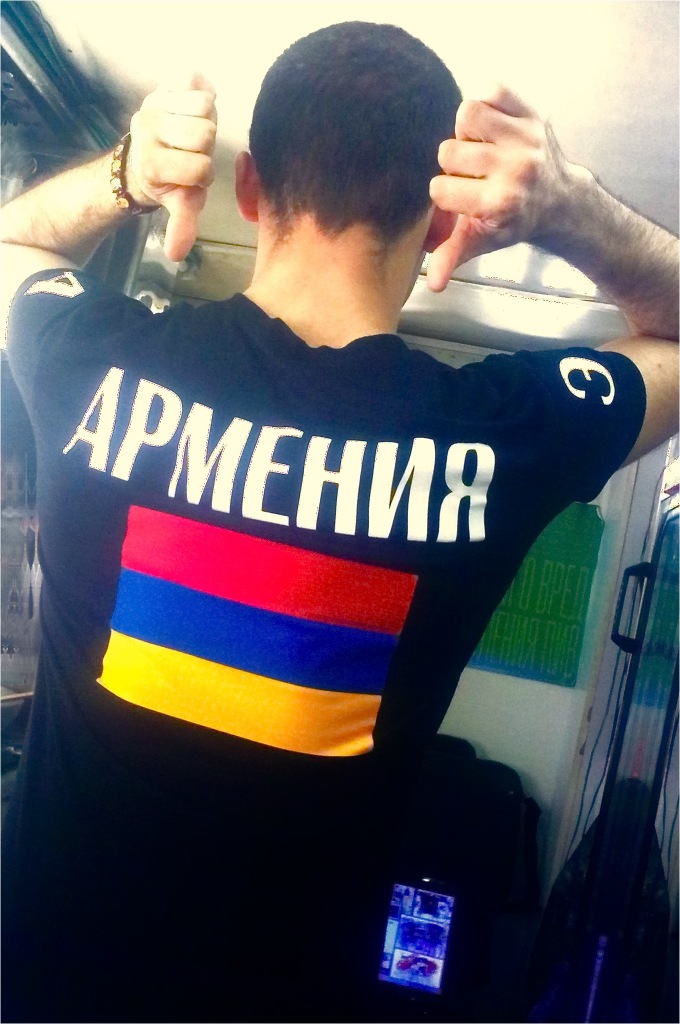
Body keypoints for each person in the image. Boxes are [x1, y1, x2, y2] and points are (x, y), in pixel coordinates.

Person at [1, 20, 677, 1024]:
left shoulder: (90, 364)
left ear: (248, 188)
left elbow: (14, 241)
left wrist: (126, 174)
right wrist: (571, 211)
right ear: (439, 222)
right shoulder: (492, 444)